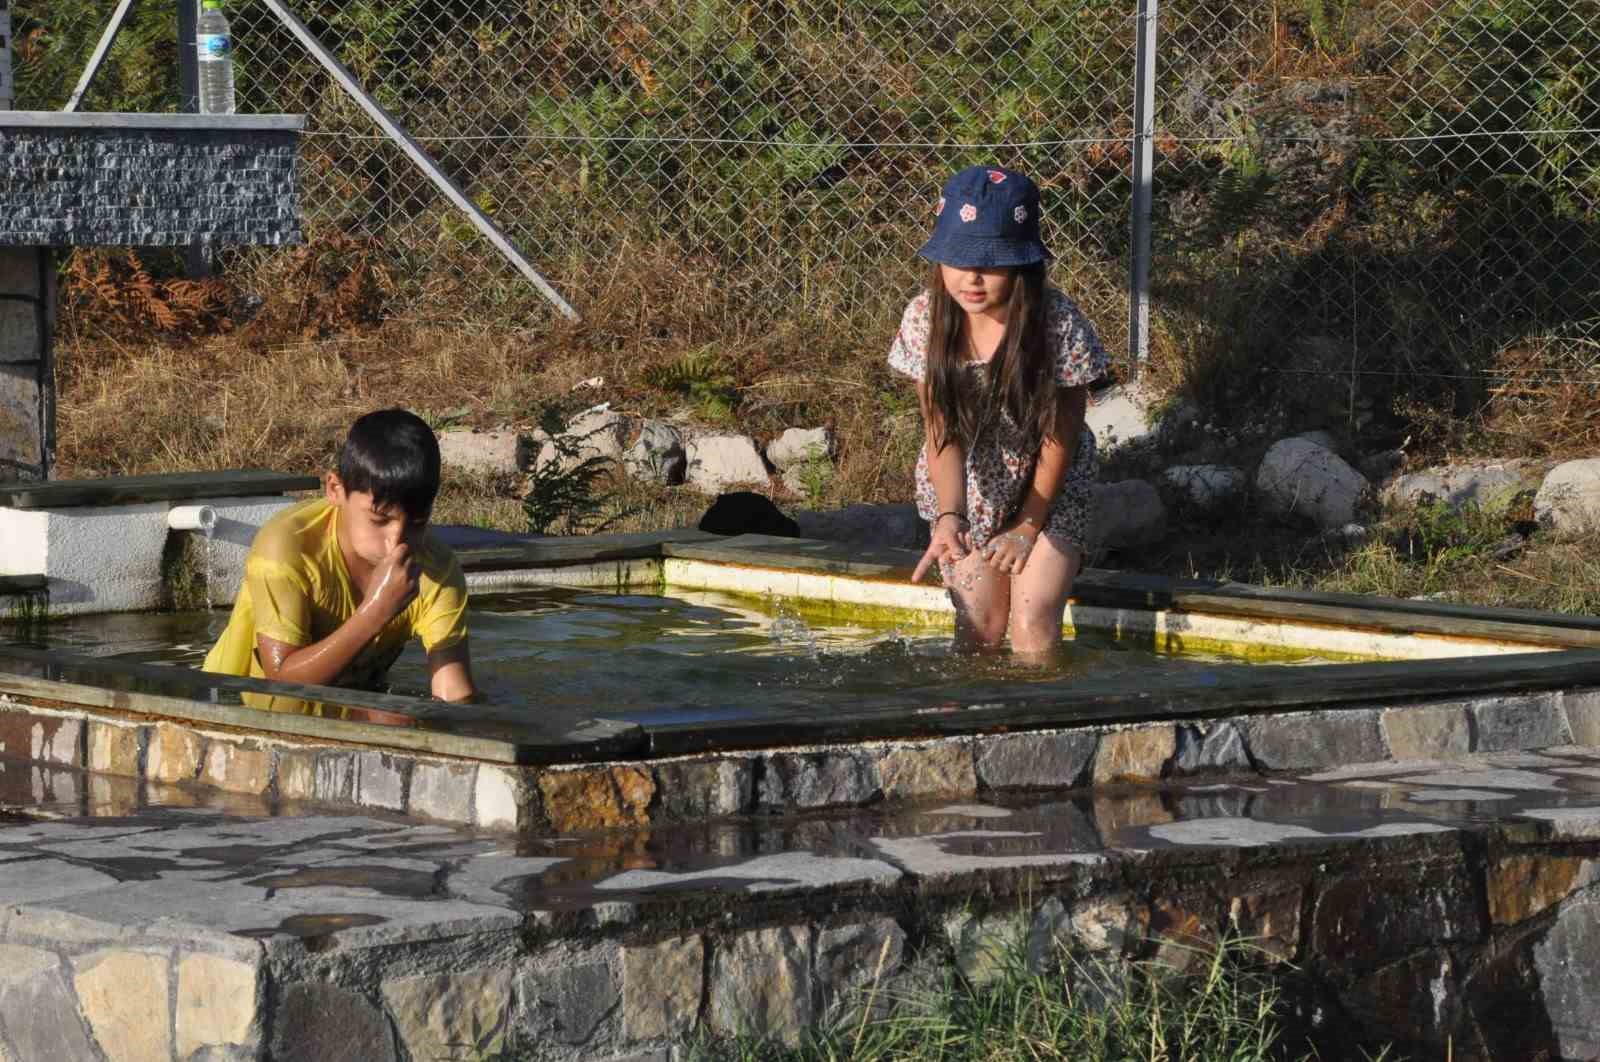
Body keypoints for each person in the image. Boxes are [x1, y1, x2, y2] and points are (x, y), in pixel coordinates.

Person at [888, 165, 1109, 658]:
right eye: (958, 260)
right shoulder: (926, 317)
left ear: (1022, 264)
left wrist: (1029, 526)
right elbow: (940, 430)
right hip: (969, 481)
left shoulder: (1058, 323)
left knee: (1032, 623)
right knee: (980, 629)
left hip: (1048, 483)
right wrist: (950, 516)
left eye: (990, 263)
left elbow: (1062, 436)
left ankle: (1046, 726)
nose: (971, 278)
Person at [203, 408, 476, 721]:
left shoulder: (435, 570)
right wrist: (377, 610)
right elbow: (280, 681)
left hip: (344, 711)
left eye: (415, 523)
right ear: (335, 489)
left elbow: (453, 694)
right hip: (233, 709)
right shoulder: (288, 547)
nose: (396, 542)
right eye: (379, 520)